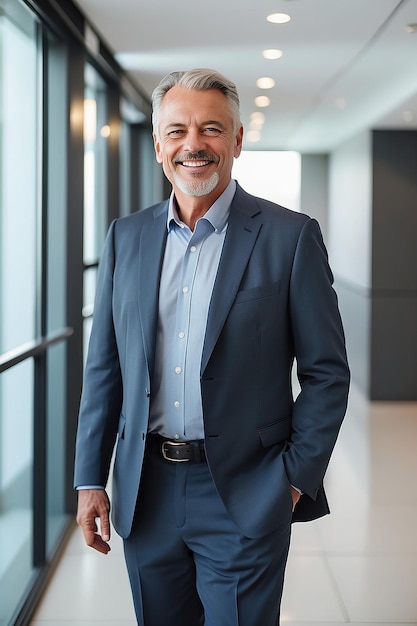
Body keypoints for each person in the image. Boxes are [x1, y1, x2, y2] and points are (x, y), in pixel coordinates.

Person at [74, 68, 350, 626]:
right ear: (157, 145)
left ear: (239, 140)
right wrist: (89, 478)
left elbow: (326, 373)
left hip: (246, 490)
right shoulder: (125, 238)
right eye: (176, 131)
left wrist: (292, 481)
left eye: (211, 130)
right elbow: (105, 367)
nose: (193, 145)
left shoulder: (290, 237)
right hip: (145, 491)